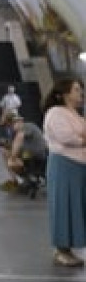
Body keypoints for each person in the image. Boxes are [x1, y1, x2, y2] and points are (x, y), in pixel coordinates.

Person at [42, 78, 86, 267]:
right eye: (76, 89)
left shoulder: (75, 114)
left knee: (76, 207)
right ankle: (61, 250)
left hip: (78, 167)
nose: (81, 93)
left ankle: (69, 248)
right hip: (63, 166)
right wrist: (82, 139)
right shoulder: (55, 112)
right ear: (64, 94)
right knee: (64, 206)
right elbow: (67, 137)